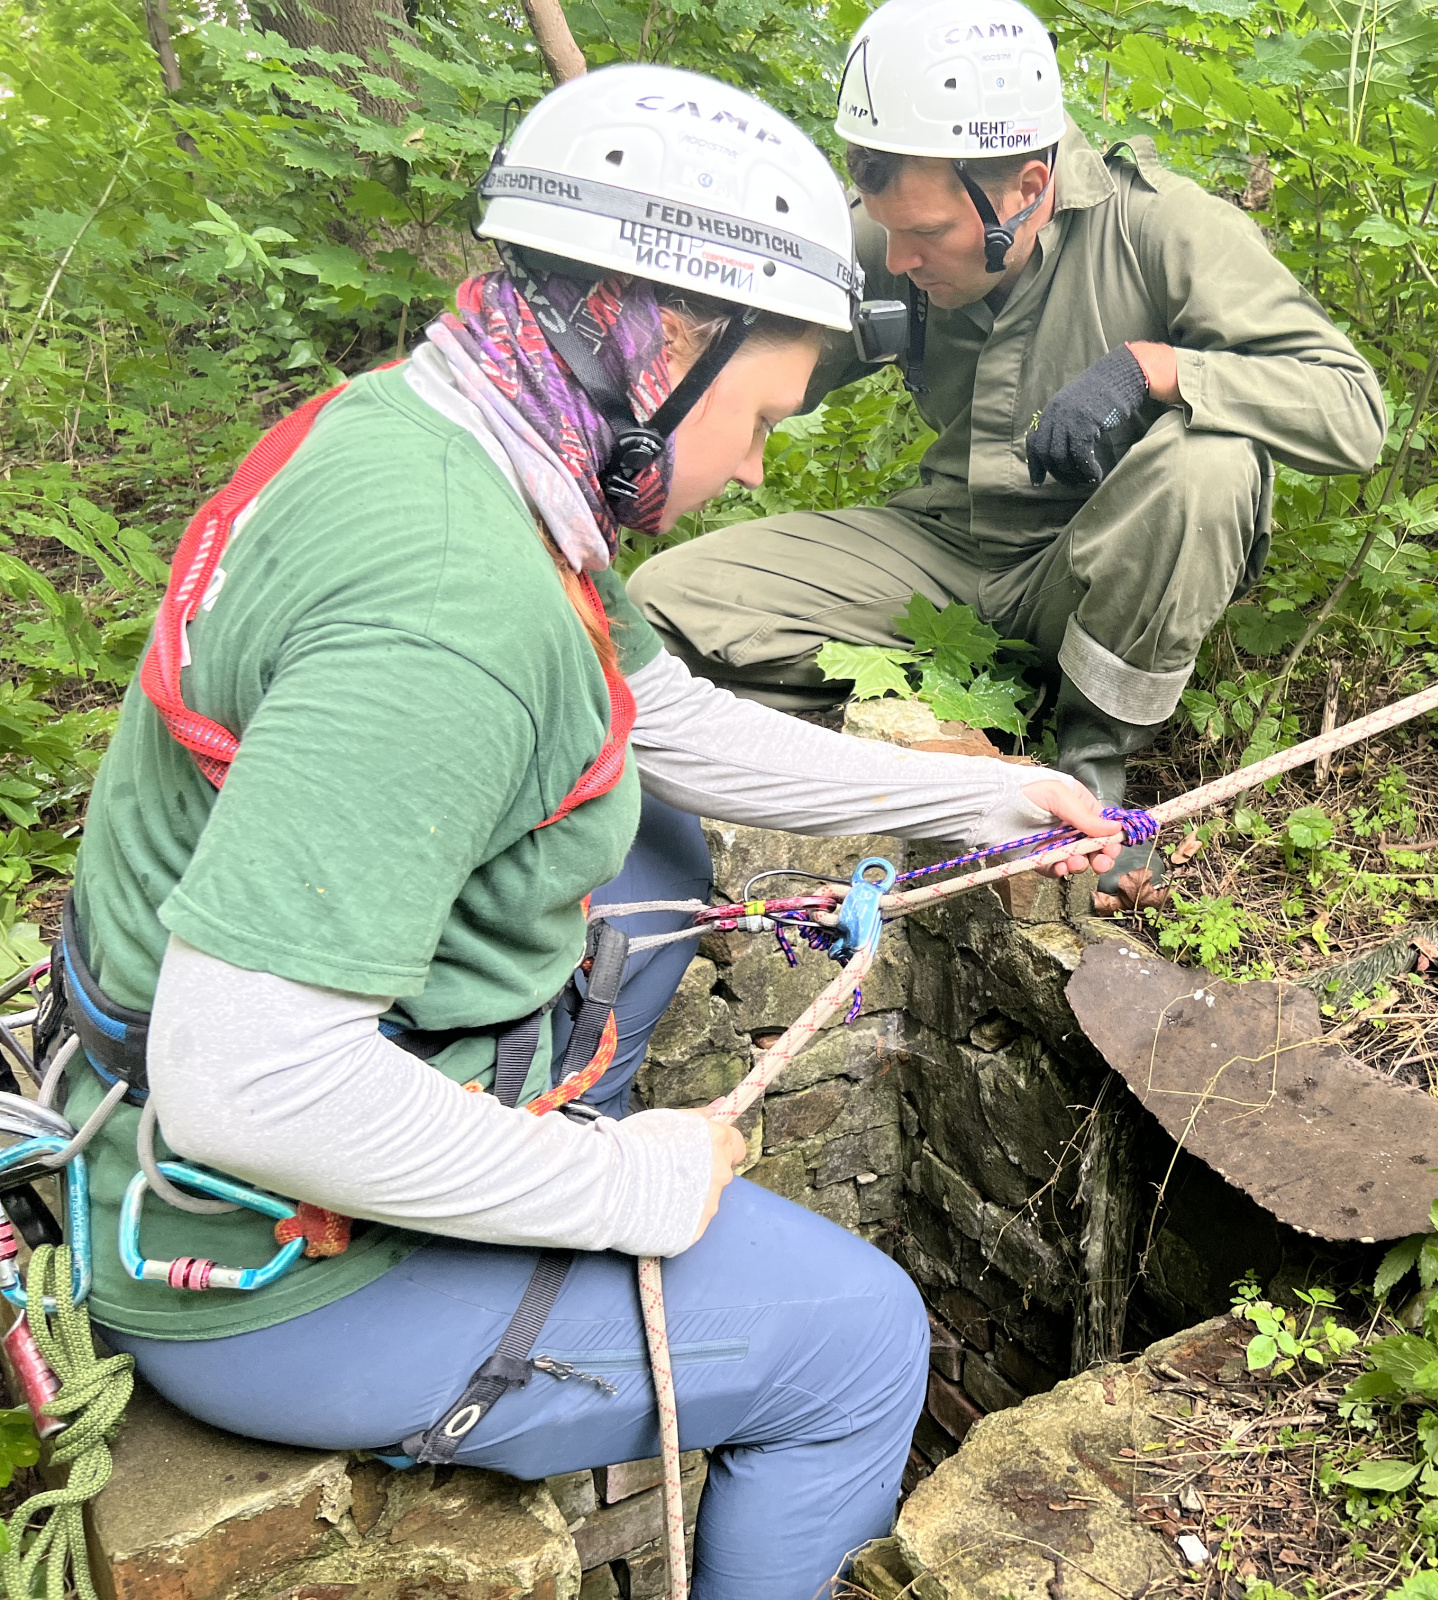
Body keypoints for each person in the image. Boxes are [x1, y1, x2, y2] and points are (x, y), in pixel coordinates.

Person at [47, 65, 1120, 1600]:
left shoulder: (440, 443)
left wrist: (980, 794)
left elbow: (659, 719)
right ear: (662, 336)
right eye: (763, 409)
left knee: (654, 840)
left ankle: (533, 1126)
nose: (757, 463)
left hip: (188, 1083)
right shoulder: (451, 622)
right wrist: (632, 1184)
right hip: (249, 1256)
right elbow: (247, 1085)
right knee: (859, 1343)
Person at [625, 0, 1388, 910]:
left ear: (1026, 187)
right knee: (660, 609)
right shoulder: (889, 237)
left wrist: (1158, 369)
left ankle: (1095, 772)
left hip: (1093, 566)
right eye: (886, 227)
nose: (898, 258)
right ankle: (896, 748)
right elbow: (738, 375)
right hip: (944, 549)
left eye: (928, 236)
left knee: (1210, 465)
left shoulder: (1165, 231)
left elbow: (1353, 414)